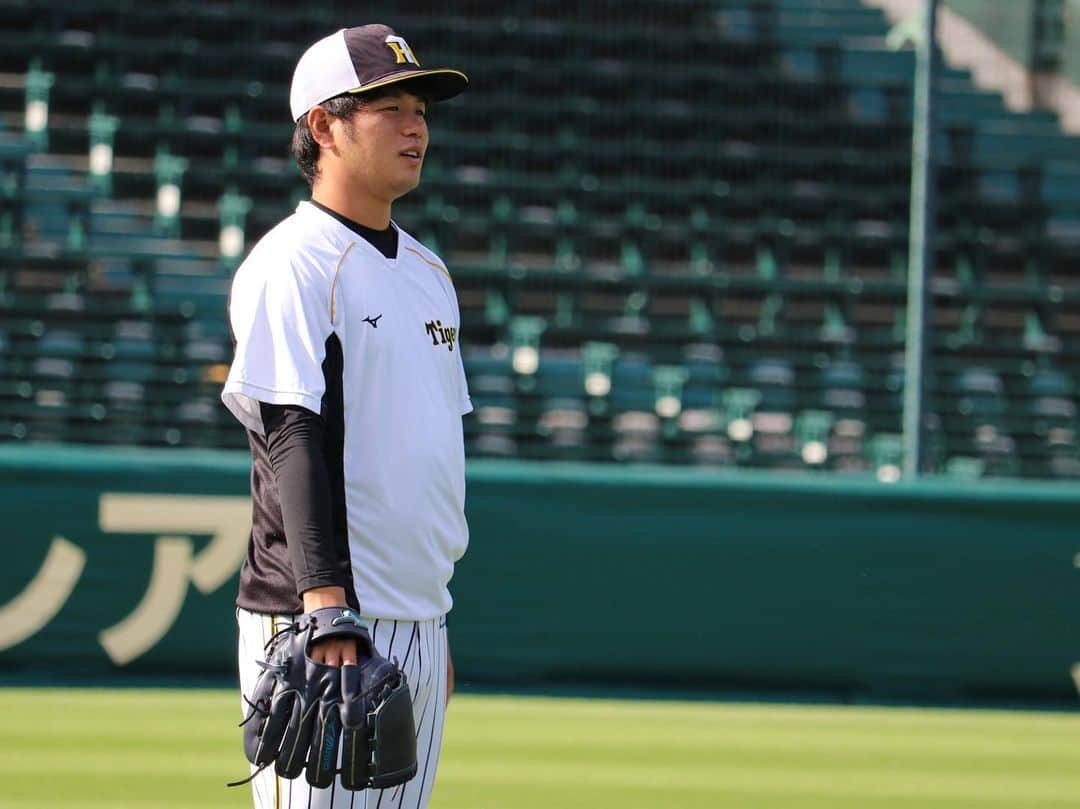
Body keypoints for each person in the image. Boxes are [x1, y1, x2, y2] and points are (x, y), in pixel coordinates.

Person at [221, 24, 471, 809]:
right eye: (388, 106)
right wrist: (326, 609)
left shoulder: (429, 272)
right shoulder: (293, 262)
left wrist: (436, 619)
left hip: (417, 616)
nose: (415, 126)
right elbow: (289, 435)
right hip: (331, 619)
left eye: (420, 109)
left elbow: (430, 452)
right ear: (323, 126)